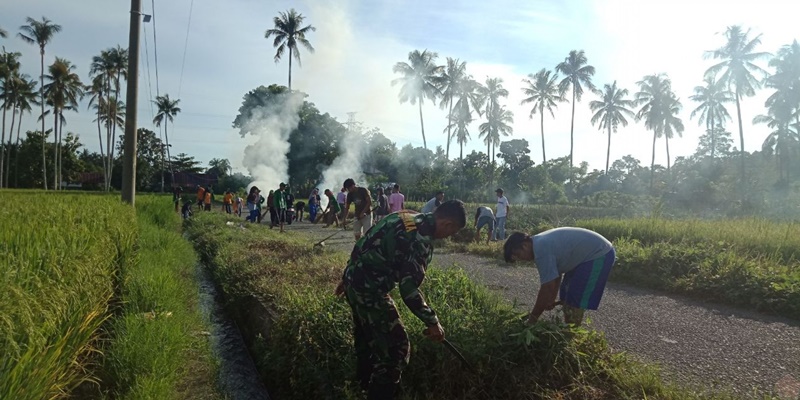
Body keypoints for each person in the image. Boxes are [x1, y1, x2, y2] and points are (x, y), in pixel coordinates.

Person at [334, 200, 467, 398]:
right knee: (396, 351)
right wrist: (432, 321)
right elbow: (409, 289)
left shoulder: (405, 216)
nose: (449, 236)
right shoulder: (420, 239)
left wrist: (347, 277)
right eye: (452, 231)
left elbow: (364, 241)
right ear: (447, 224)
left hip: (355, 281)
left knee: (367, 338)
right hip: (371, 290)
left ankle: (360, 388)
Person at [503, 228, 616, 326]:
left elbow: (547, 287)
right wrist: (551, 299)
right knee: (566, 295)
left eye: (518, 255)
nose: (521, 260)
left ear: (525, 245)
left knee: (574, 300)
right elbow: (554, 275)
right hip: (585, 256)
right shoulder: (539, 243)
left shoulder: (541, 250)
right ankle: (569, 329)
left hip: (599, 253)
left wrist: (533, 318)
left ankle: (570, 334)